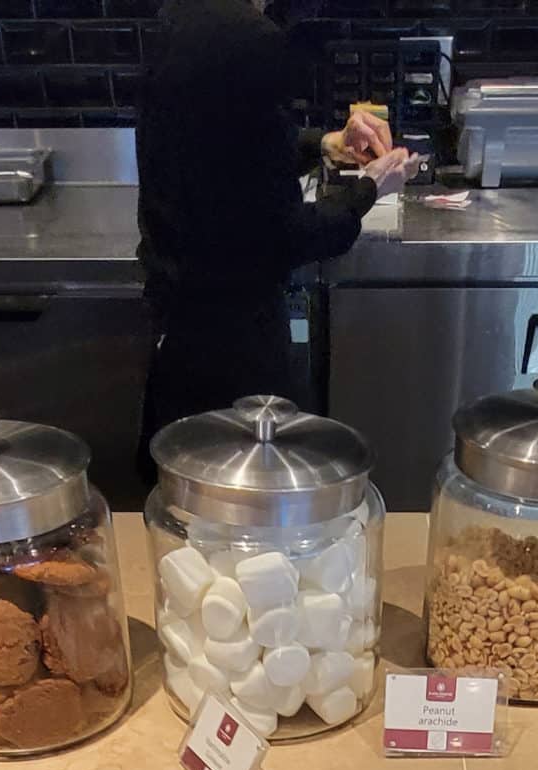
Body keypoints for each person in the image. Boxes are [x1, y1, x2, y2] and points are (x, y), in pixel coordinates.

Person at [135, 0, 414, 473]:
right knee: (249, 492)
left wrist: (327, 143)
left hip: (179, 329)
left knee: (184, 484)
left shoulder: (183, 16)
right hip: (236, 347)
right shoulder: (251, 38)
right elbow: (282, 237)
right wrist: (369, 189)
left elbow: (228, 153)